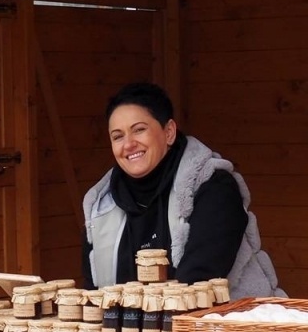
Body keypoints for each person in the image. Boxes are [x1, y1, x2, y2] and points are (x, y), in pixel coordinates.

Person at [82, 82, 282, 298]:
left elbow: (198, 279)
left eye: (139, 130)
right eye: (118, 136)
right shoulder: (100, 207)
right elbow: (95, 293)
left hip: (226, 327)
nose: (128, 144)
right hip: (132, 331)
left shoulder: (214, 186)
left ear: (169, 132)